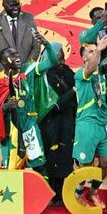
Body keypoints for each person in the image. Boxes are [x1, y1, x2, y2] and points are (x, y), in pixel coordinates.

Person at [0, 33, 57, 173]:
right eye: (12, 56)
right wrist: (4, 107)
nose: (17, 57)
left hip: (29, 127)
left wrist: (46, 45)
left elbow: (52, 62)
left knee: (39, 166)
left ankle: (40, 187)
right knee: (11, 169)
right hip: (11, 131)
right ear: (4, 61)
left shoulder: (28, 72)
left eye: (17, 54)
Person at [71, 35, 107, 208]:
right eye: (90, 51)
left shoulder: (101, 74)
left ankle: (93, 192)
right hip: (87, 123)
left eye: (94, 51)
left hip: (104, 123)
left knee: (105, 163)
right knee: (86, 164)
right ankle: (78, 193)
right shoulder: (80, 74)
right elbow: (91, 66)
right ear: (84, 58)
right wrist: (98, 48)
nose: (95, 53)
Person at [38, 44, 76, 205]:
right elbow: (53, 105)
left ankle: (60, 193)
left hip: (67, 121)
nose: (61, 57)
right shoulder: (43, 77)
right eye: (57, 54)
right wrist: (73, 91)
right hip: (50, 122)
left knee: (65, 154)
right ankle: (48, 191)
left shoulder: (67, 71)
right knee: (51, 154)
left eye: (61, 53)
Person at [0, 0, 41, 74]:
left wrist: (26, 68)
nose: (16, 8)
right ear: (4, 5)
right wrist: (9, 71)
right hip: (4, 75)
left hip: (27, 73)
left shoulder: (28, 18)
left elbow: (36, 46)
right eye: (12, 6)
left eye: (17, 5)